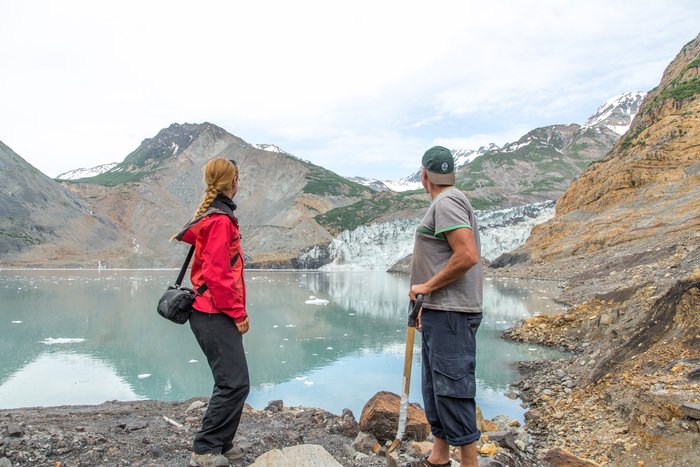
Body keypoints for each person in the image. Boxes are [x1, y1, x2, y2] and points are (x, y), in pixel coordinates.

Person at [408, 146, 483, 467]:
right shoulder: (446, 201)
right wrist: (428, 302)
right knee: (436, 387)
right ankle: (439, 456)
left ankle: (469, 463)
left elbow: (466, 255)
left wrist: (426, 287)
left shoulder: (448, 202)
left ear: (424, 175)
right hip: (441, 310)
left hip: (453, 312)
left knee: (453, 389)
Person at [173, 157, 250, 467]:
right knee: (234, 382)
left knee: (233, 381)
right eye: (237, 179)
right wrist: (238, 313)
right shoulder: (220, 220)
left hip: (210, 311)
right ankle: (205, 448)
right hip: (212, 312)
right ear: (233, 182)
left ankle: (222, 442)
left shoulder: (215, 216)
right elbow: (218, 275)